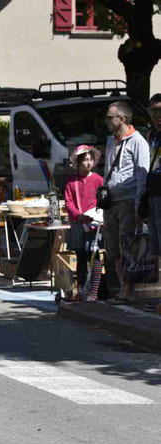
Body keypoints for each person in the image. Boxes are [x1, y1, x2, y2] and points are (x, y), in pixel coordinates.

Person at [102, 100, 150, 305]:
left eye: (109, 117)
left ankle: (130, 290)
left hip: (128, 201)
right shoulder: (110, 140)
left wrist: (140, 203)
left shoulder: (138, 142)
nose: (106, 120)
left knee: (128, 245)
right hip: (111, 202)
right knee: (114, 249)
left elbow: (142, 174)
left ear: (121, 119)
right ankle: (123, 287)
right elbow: (107, 169)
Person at [63, 145, 104, 301]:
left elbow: (104, 199)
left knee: (95, 256)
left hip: (94, 224)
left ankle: (94, 292)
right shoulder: (71, 182)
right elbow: (68, 202)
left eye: (90, 160)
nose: (88, 163)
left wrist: (100, 216)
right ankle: (81, 289)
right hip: (78, 223)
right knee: (80, 256)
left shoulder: (98, 180)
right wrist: (77, 215)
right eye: (85, 160)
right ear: (78, 163)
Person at [145, 93, 161, 312]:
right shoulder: (152, 136)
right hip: (154, 195)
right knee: (158, 249)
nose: (158, 115)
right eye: (154, 111)